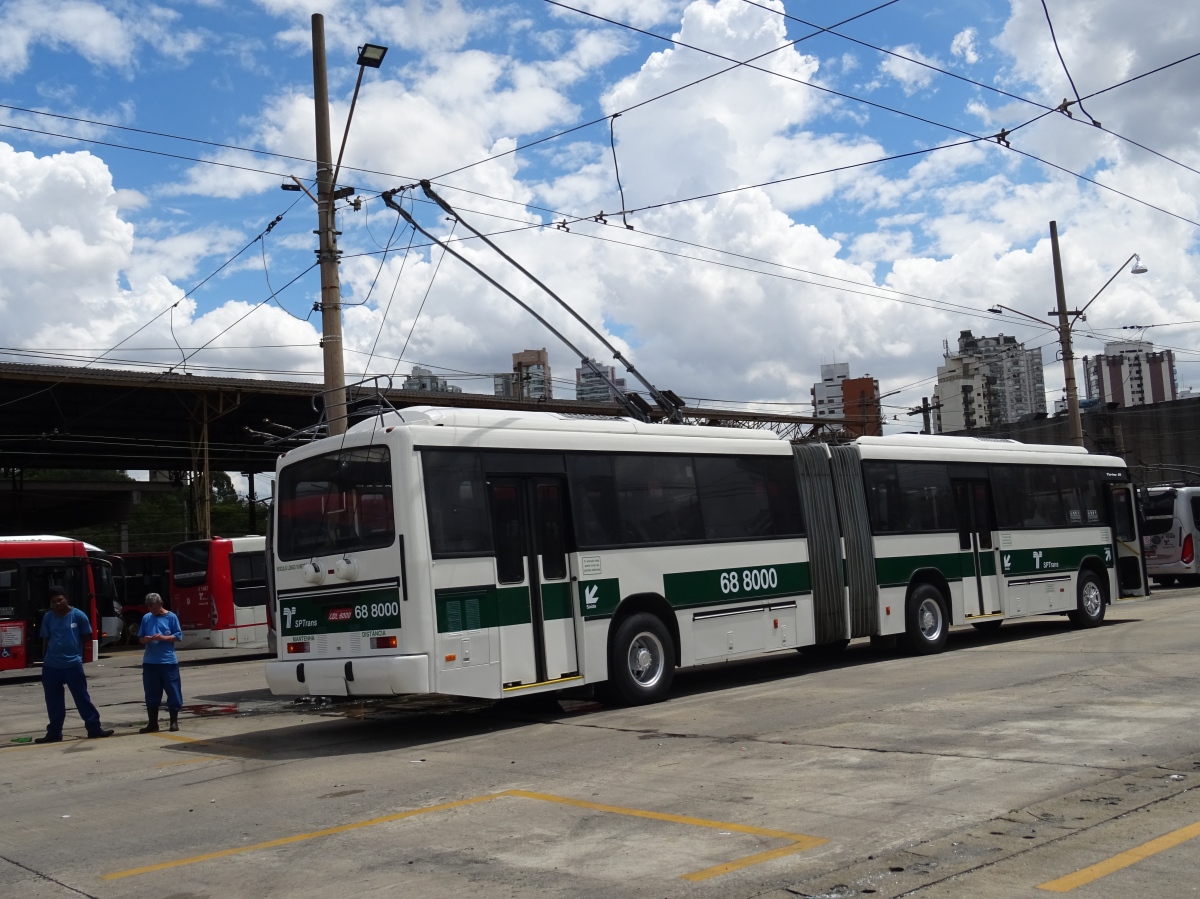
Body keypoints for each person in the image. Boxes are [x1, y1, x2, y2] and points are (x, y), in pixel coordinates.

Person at [36, 587, 114, 743]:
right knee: (54, 702)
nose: (57, 604)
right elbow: (46, 639)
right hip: (51, 666)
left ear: (66, 598)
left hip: (72, 665)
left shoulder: (78, 615)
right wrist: (45, 660)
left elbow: (86, 637)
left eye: (60, 600)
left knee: (82, 698)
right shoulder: (48, 617)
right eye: (54, 602)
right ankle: (54, 733)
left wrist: (79, 656)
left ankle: (94, 728)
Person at [137, 593, 183, 733]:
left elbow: (178, 636)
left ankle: (173, 722)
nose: (153, 611)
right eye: (150, 609)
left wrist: (163, 638)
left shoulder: (171, 617)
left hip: (168, 662)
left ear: (161, 604)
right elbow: (140, 638)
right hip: (150, 662)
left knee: (173, 691)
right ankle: (153, 723)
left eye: (155, 608)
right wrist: (145, 640)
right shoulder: (146, 618)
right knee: (151, 692)